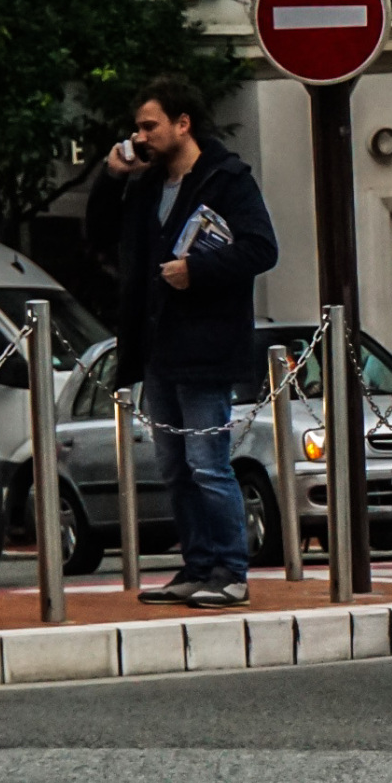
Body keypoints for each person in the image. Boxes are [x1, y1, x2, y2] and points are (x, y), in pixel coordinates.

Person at [85, 79, 278, 608]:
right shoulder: (147, 185)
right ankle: (196, 565)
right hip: (158, 347)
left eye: (150, 125)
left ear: (182, 123)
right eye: (138, 128)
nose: (140, 136)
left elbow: (262, 248)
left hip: (207, 346)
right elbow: (99, 235)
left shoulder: (227, 178)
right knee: (173, 466)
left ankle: (231, 570)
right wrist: (112, 175)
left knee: (207, 463)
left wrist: (199, 270)